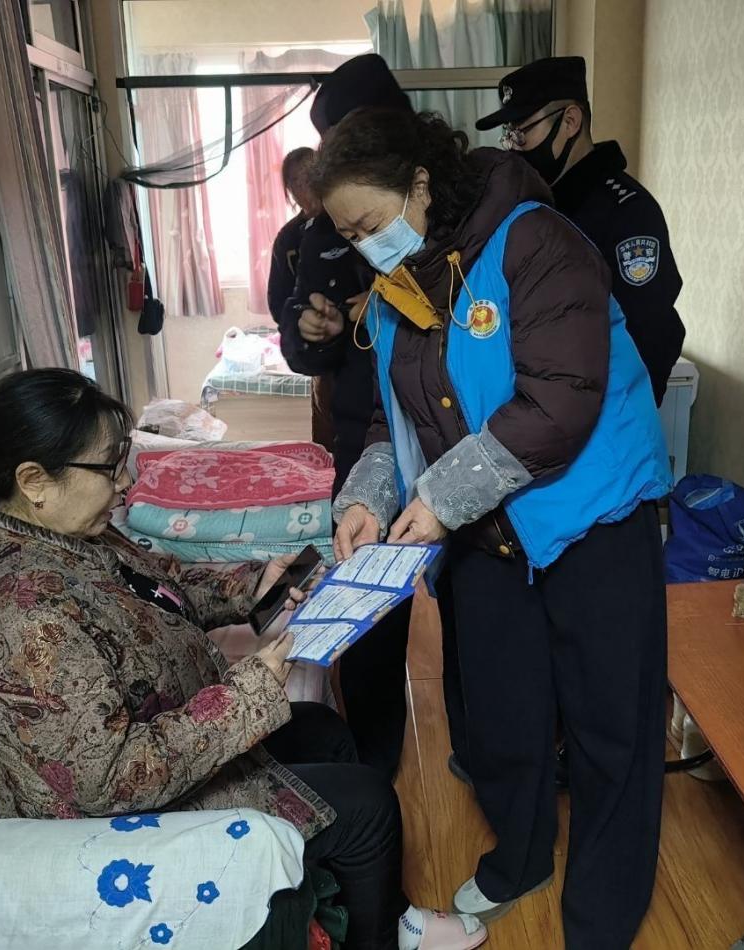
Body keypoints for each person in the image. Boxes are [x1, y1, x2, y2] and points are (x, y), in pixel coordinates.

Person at [0, 368, 486, 950]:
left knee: (324, 733)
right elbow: (110, 781)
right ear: (34, 481)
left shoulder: (69, 536)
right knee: (369, 807)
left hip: (177, 737)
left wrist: (256, 586)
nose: (126, 482)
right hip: (121, 826)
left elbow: (162, 588)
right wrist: (248, 694)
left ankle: (328, 911)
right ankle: (379, 933)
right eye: (109, 467)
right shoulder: (24, 618)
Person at [311, 108, 672, 948]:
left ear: (419, 184)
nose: (365, 247)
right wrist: (365, 498)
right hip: (484, 530)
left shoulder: (534, 241)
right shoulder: (398, 289)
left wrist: (440, 500)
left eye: (369, 224)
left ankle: (602, 911)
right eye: (349, 235)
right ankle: (520, 859)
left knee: (609, 725)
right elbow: (391, 422)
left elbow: (559, 400)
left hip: (589, 515)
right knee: (502, 716)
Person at [279, 53, 469, 780]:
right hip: (368, 430)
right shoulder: (319, 231)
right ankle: (371, 761)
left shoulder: (453, 211)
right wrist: (319, 330)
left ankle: (474, 741)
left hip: (455, 434)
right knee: (367, 606)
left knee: (467, 596)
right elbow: (300, 341)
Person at [476, 55, 685, 406]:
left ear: (570, 121)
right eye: (508, 136)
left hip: (605, 415)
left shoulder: (627, 212)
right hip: (543, 405)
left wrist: (612, 420)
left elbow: (646, 337)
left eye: (522, 133)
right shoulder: (533, 205)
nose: (513, 147)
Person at [268, 147, 335, 454]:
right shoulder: (288, 238)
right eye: (295, 180)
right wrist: (301, 326)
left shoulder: (343, 222)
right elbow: (278, 301)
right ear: (289, 190)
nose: (304, 185)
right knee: (326, 430)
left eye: (309, 175)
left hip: (357, 342)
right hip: (316, 350)